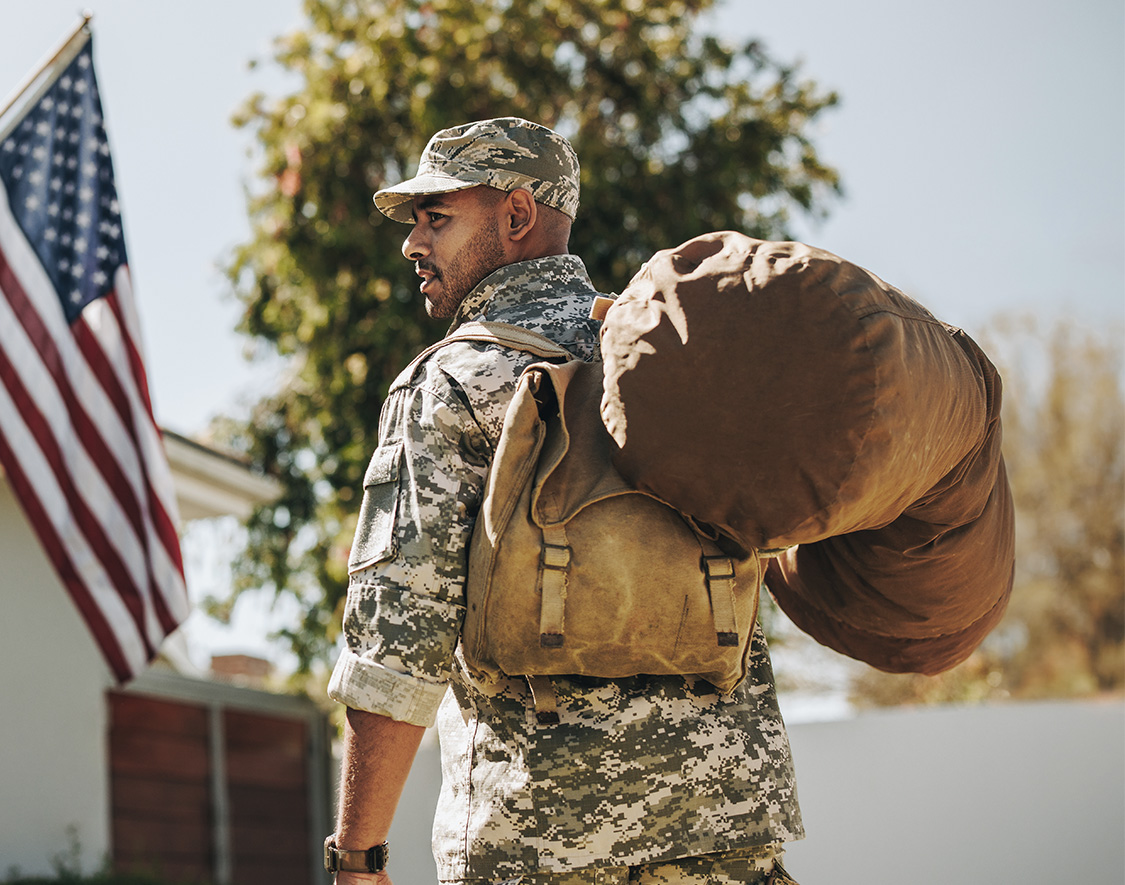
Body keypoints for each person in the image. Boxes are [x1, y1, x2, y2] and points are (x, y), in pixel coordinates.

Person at [325, 117, 804, 885]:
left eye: (436, 218)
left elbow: (395, 641)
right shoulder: (674, 354)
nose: (413, 245)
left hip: (541, 843)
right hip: (725, 830)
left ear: (516, 215)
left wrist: (357, 857)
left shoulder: (453, 380)